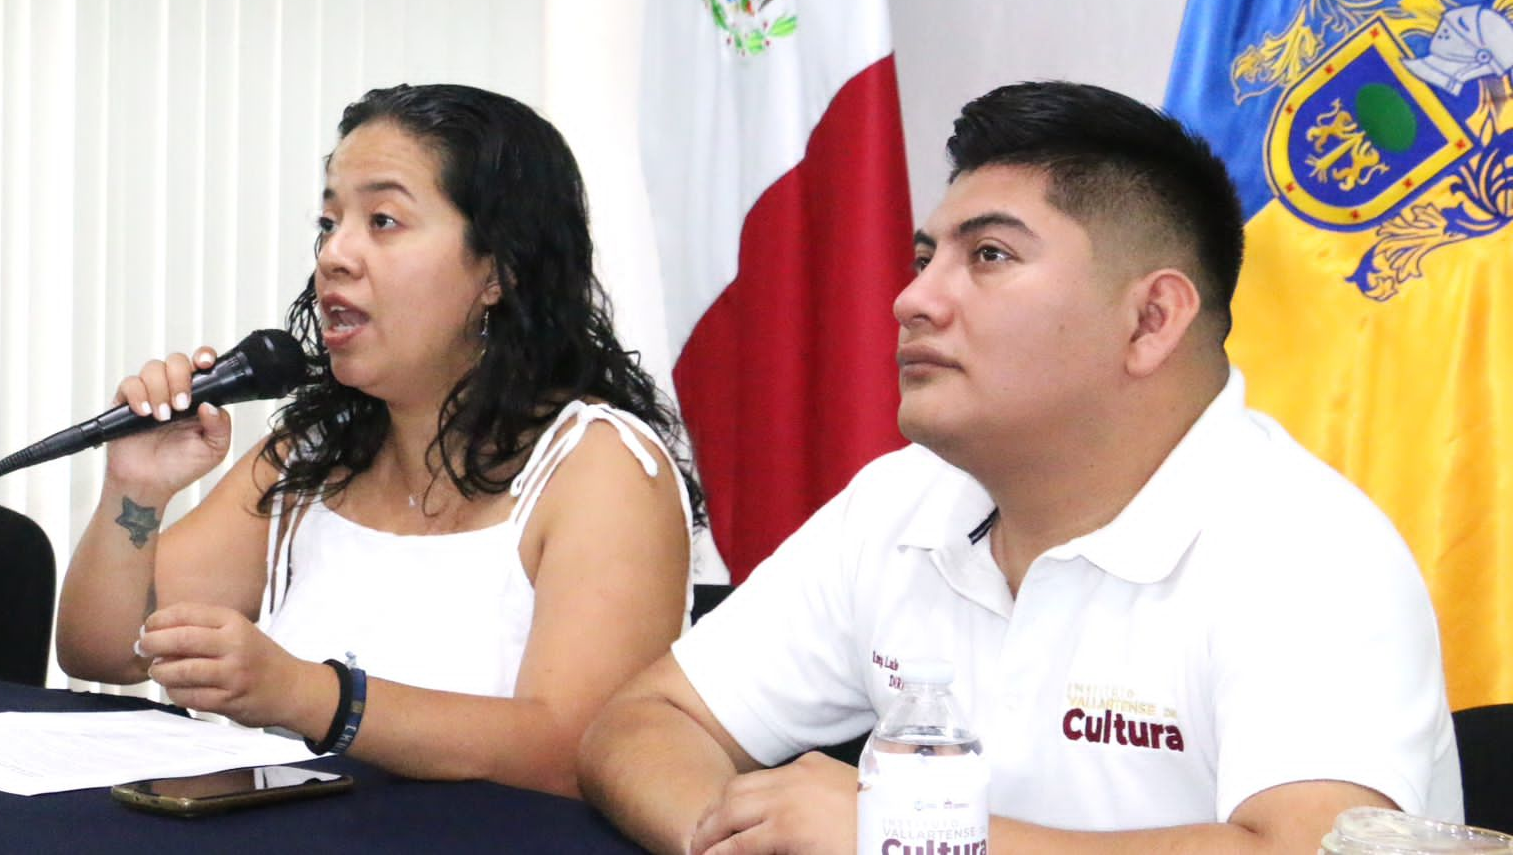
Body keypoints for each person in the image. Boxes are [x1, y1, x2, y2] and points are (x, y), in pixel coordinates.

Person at [577, 81, 1462, 852]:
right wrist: (737, 836)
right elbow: (645, 724)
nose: (912, 299)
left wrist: (902, 834)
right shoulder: (902, 504)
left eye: (988, 256)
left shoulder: (1306, 547)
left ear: (1153, 320)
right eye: (926, 258)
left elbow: (1310, 850)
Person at [56, 83, 698, 797]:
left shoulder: (600, 466)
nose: (335, 253)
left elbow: (576, 751)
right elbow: (105, 651)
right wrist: (134, 491)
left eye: (384, 220)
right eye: (329, 224)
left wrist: (309, 697)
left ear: (498, 270)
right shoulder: (316, 451)